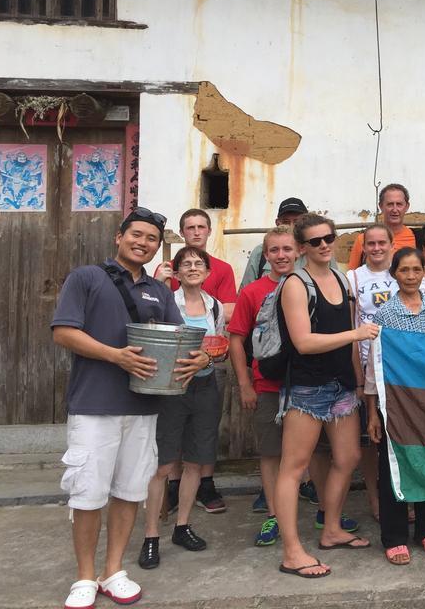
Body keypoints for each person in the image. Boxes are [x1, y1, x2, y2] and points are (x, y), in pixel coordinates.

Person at [52, 207, 209, 609]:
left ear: (159, 247)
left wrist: (200, 359)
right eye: (136, 235)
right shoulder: (86, 277)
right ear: (119, 237)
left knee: (128, 491)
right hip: (94, 406)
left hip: (144, 407)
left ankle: (113, 570)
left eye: (151, 239)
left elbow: (183, 336)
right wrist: (116, 356)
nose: (143, 243)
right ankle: (85, 576)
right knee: (88, 493)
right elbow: (64, 332)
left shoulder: (159, 293)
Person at [274, 213, 379, 578]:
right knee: (294, 468)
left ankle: (331, 529)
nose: (324, 245)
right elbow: (303, 342)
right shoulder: (295, 285)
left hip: (340, 385)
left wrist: (357, 376)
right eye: (315, 241)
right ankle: (291, 551)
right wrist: (356, 336)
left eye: (328, 238)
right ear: (302, 248)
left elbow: (350, 330)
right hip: (306, 388)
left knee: (348, 456)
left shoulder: (339, 277)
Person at [139, 246, 226, 568]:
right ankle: (151, 535)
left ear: (207, 271)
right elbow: (151, 340)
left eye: (198, 264)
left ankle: (182, 526)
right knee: (163, 465)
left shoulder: (214, 306)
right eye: (186, 264)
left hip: (204, 387)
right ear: (176, 272)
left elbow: (220, 346)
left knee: (195, 461)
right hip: (171, 388)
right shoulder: (165, 301)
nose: (192, 268)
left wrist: (210, 356)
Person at [367, 247, 425, 564]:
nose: (411, 276)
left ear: (424, 272)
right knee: (393, 468)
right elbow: (374, 365)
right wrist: (372, 411)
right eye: (404, 270)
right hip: (396, 406)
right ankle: (395, 536)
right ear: (394, 274)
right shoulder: (384, 314)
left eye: (417, 270)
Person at [154, 208, 237, 515]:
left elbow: (229, 312)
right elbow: (157, 316)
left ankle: (206, 483)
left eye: (202, 226)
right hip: (174, 366)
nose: (197, 232)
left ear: (209, 230)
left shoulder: (224, 269)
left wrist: (203, 341)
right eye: (190, 227)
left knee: (205, 426)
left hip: (210, 361)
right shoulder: (166, 270)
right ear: (182, 232)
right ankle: (174, 486)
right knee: (173, 428)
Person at [227, 226, 299, 546]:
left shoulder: (308, 285)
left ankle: (317, 511)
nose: (281, 255)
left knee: (304, 454)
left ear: (298, 251)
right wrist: (244, 383)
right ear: (265, 255)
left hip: (305, 385)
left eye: (287, 249)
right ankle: (274, 514)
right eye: (275, 250)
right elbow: (236, 339)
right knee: (271, 452)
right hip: (266, 383)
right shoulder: (253, 291)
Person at [347, 224, 399, 520]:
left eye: (382, 242)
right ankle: (374, 497)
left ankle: (403, 495)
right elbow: (352, 328)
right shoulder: (353, 278)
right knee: (371, 440)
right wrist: (357, 377)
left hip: (400, 368)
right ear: (363, 247)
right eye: (371, 243)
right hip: (369, 367)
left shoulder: (404, 272)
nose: (377, 248)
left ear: (392, 244)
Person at [239, 197, 308, 290]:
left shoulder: (317, 249)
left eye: (297, 222)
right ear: (277, 222)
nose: (292, 226)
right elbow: (246, 293)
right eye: (286, 222)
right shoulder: (260, 252)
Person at [347, 184, 416, 270]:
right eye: (390, 204)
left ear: (407, 206)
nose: (394, 210)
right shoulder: (364, 239)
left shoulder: (417, 238)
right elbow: (351, 276)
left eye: (399, 204)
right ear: (381, 206)